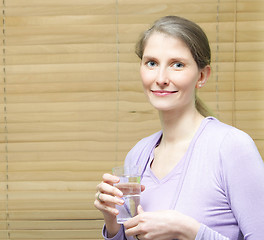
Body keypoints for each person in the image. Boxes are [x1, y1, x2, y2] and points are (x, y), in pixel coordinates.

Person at [94, 15, 264, 240]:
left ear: (202, 76)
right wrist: (113, 222)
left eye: (177, 65)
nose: (161, 78)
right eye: (152, 63)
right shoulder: (138, 155)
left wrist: (190, 232)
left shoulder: (231, 147)